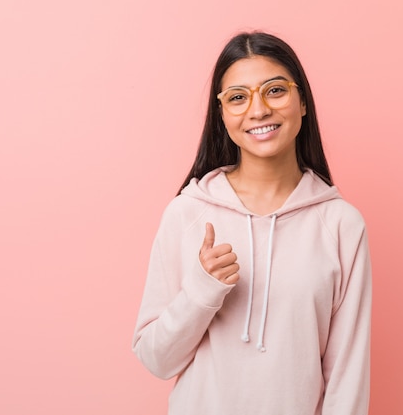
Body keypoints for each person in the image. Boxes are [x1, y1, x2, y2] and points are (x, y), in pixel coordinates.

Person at [132, 31, 372, 415]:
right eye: (238, 98)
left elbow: (348, 376)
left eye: (275, 91)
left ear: (303, 101)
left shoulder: (342, 225)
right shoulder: (187, 214)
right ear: (222, 114)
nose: (258, 111)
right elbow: (157, 360)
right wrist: (200, 292)